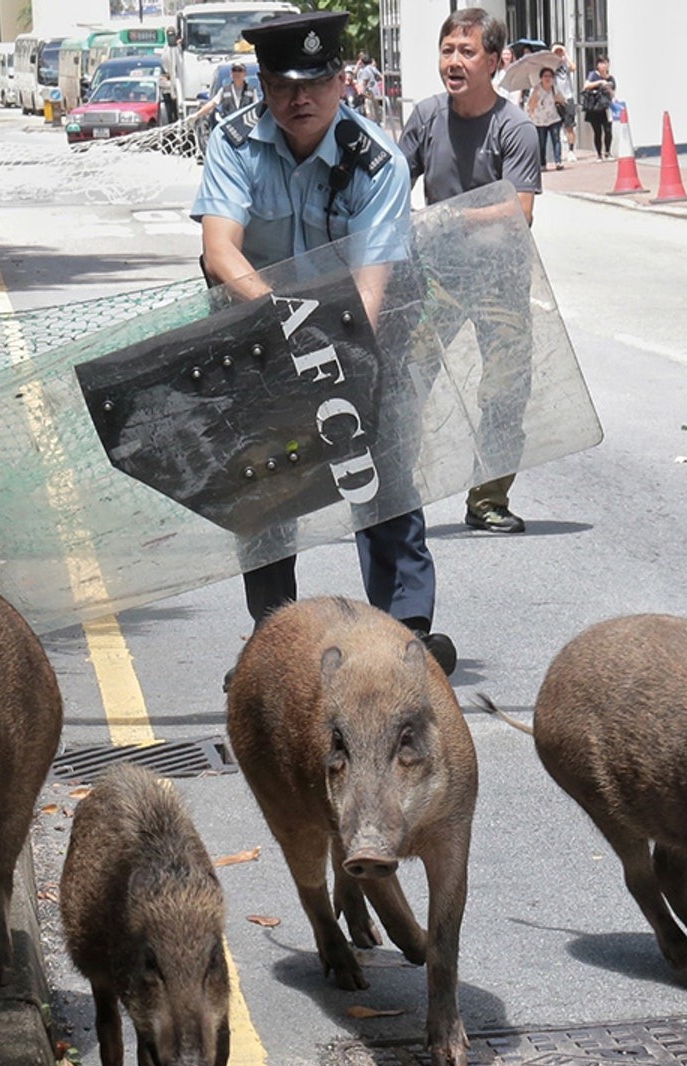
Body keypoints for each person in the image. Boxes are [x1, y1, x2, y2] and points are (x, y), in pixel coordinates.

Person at [192, 10, 456, 675]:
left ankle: (404, 637)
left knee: (381, 474)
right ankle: (275, 643)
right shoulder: (233, 143)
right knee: (265, 489)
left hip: (360, 326)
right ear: (262, 83)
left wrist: (328, 345)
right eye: (282, 85)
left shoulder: (380, 161)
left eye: (314, 83)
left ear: (342, 83)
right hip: (261, 330)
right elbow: (221, 250)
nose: (298, 99)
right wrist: (285, 321)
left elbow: (370, 290)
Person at [401, 8, 542, 539]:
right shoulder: (427, 117)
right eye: (447, 51)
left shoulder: (517, 128)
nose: (453, 62)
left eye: (467, 52)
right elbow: (392, 183)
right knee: (406, 381)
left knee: (505, 391)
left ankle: (487, 501)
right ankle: (394, 494)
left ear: (495, 61)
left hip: (499, 281)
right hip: (435, 277)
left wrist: (448, 216)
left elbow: (519, 209)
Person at [192, 60, 257, 126]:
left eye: (240, 70)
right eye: (234, 70)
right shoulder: (224, 90)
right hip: (228, 128)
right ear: (231, 74)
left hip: (247, 128)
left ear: (245, 74)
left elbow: (257, 108)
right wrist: (196, 115)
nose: (237, 73)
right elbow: (212, 103)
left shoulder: (252, 90)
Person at [526, 65, 565, 170]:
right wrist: (535, 96)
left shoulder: (555, 88)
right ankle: (543, 164)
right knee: (541, 142)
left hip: (554, 118)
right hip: (539, 120)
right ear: (541, 78)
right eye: (545, 76)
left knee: (556, 139)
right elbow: (531, 106)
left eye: (550, 76)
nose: (547, 78)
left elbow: (563, 101)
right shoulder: (536, 89)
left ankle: (558, 161)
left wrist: (558, 98)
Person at [581, 56, 616, 161]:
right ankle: (599, 154)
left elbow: (613, 94)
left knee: (608, 130)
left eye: (605, 63)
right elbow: (586, 86)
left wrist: (608, 87)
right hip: (595, 108)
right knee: (597, 131)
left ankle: (608, 152)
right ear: (597, 65)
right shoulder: (593, 75)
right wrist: (600, 82)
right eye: (601, 63)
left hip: (606, 108)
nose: (603, 65)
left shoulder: (610, 78)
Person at [552, 44, 578, 157]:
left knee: (569, 126)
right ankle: (558, 151)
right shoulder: (550, 65)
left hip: (568, 97)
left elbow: (573, 67)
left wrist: (565, 54)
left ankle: (571, 150)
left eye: (559, 51)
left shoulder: (565, 63)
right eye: (556, 52)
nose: (558, 54)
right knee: (556, 128)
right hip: (555, 99)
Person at [355, 52, 384, 126]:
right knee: (377, 113)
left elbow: (364, 82)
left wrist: (362, 91)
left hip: (368, 94)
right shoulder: (373, 68)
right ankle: (378, 126)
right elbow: (381, 77)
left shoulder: (364, 70)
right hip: (376, 93)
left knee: (370, 114)